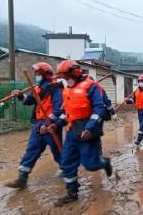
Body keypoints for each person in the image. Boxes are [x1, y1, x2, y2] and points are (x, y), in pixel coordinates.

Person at [53, 60, 113, 206]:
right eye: (62, 77)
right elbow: (65, 112)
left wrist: (90, 127)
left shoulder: (91, 87)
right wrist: (56, 124)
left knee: (90, 165)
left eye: (66, 76)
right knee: (66, 163)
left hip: (87, 132)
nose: (64, 80)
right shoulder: (68, 89)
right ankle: (72, 193)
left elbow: (99, 108)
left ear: (74, 73)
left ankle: (104, 162)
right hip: (72, 132)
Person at [5, 62, 63, 189]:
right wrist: (20, 96)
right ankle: (22, 178)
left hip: (50, 124)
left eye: (38, 74)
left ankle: (67, 171)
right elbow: (30, 100)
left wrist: (50, 123)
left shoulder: (55, 87)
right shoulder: (37, 88)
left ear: (45, 74)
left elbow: (59, 108)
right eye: (35, 74)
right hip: (37, 124)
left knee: (58, 150)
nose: (36, 76)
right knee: (32, 149)